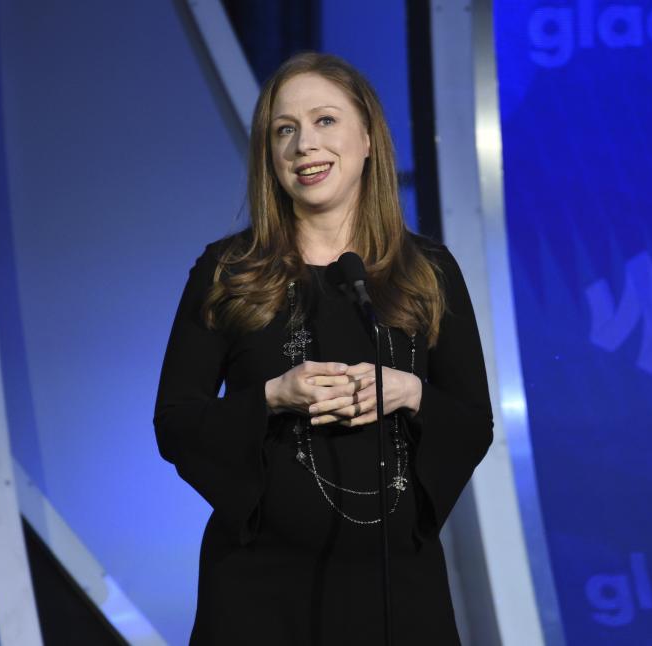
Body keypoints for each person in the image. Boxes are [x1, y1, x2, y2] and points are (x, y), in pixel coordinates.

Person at [154, 52, 493, 645]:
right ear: (270, 156)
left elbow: (473, 422)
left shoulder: (428, 273)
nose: (304, 145)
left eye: (325, 121)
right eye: (285, 130)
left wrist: (412, 393)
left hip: (395, 593)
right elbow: (176, 423)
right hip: (259, 598)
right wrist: (272, 397)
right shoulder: (228, 271)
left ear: (367, 138)